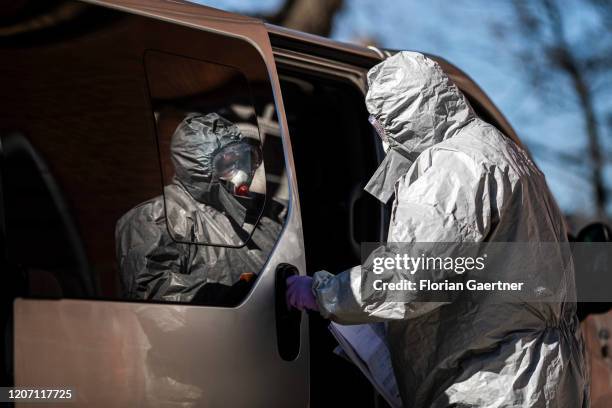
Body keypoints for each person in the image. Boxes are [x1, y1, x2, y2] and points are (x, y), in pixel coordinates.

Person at [287, 52, 588, 407]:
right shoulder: (500, 150)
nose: (379, 131)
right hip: (538, 377)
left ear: (405, 114)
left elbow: (412, 275)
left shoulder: (452, 164)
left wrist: (326, 294)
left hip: (492, 383)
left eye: (381, 119)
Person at [116, 112, 284, 305]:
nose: (243, 172)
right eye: (228, 163)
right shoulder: (155, 219)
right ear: (197, 166)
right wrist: (260, 293)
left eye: (245, 158)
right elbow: (159, 300)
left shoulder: (260, 213)